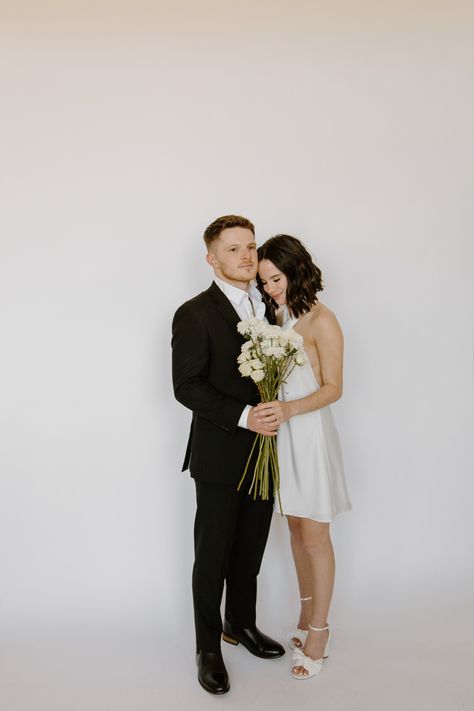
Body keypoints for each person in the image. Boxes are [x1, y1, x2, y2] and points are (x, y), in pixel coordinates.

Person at [171, 215, 285, 696]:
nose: (245, 257)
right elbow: (186, 385)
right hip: (220, 452)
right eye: (233, 248)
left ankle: (241, 624)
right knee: (212, 552)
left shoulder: (269, 308)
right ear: (211, 258)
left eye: (251, 247)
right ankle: (208, 648)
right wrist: (243, 416)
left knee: (251, 546)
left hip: (265, 451)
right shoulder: (194, 313)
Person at [255, 234, 351, 680]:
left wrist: (291, 409)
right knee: (294, 528)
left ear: (296, 270)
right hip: (282, 437)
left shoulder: (321, 320)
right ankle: (304, 613)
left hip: (308, 434)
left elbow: (334, 387)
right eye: (265, 280)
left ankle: (320, 631)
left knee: (315, 534)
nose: (271, 287)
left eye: (276, 278)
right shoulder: (276, 316)